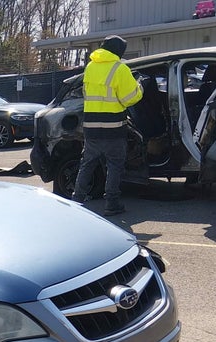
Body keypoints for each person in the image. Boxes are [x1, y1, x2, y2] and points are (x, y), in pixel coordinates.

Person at [72, 35, 143, 216]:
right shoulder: (120, 69)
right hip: (113, 128)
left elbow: (86, 93)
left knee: (87, 164)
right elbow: (130, 98)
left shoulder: (90, 67)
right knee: (114, 165)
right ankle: (111, 204)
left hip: (91, 128)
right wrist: (139, 85)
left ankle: (76, 199)